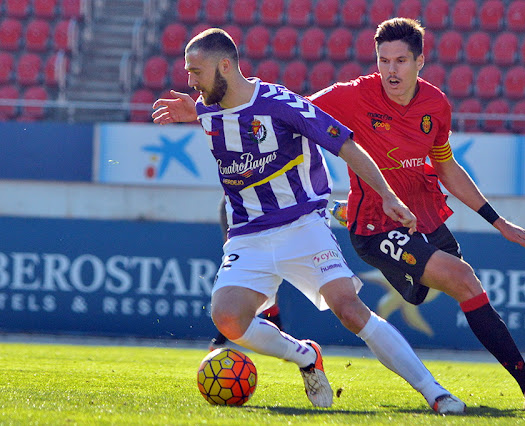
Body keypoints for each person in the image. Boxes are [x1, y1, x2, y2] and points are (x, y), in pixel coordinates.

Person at [152, 28, 466, 414]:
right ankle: (305, 357)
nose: (190, 81)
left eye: (195, 71)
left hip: (303, 225)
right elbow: (218, 112)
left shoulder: (281, 103)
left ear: (224, 66)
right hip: (248, 235)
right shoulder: (209, 108)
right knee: (228, 318)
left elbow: (347, 144)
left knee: (349, 310)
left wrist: (386, 195)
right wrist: (194, 110)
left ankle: (435, 392)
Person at [311, 18, 525, 411]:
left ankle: (344, 213)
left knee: (430, 292)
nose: (390, 70)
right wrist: (210, 111)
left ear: (420, 61)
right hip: (375, 228)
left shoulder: (436, 105)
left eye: (401, 60)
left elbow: (447, 167)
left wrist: (499, 221)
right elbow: (290, 110)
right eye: (383, 60)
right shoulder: (352, 96)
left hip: (424, 218)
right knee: (463, 278)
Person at [209, 196, 284, 350]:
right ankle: (221, 339)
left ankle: (220, 340)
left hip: (264, 227)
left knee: (264, 284)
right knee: (248, 284)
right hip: (243, 232)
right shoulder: (232, 197)